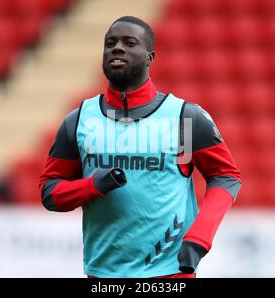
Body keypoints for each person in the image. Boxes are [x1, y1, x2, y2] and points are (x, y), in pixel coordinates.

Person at [39, 16, 241, 278]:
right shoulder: (79, 120)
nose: (117, 48)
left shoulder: (185, 119)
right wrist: (92, 186)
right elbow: (50, 192)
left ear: (150, 57)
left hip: (170, 273)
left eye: (129, 42)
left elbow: (225, 177)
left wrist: (199, 238)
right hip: (102, 276)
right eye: (110, 43)